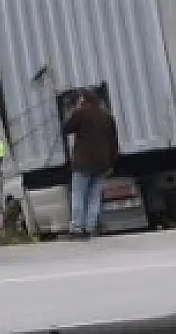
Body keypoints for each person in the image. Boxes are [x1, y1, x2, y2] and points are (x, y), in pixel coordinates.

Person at [63, 89, 118, 239]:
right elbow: (114, 143)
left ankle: (77, 228)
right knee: (94, 197)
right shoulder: (108, 117)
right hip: (102, 163)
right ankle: (90, 227)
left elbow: (66, 129)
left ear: (84, 100)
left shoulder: (81, 114)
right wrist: (111, 163)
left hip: (83, 162)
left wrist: (72, 110)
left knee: (79, 195)